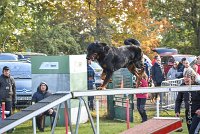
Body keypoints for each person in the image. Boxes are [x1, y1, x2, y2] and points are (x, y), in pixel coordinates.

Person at [175, 69, 200, 134]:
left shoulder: (198, 86)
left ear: (193, 78)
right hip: (188, 113)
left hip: (198, 113)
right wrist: (177, 111)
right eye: (184, 76)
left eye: (188, 77)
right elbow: (178, 100)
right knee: (191, 132)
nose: (185, 79)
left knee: (193, 132)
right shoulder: (182, 86)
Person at [0, 66, 16, 132]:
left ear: (9, 72)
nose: (6, 72)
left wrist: (14, 99)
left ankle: (10, 128)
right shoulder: (0, 78)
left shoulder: (12, 79)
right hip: (1, 100)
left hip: (9, 99)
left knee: (9, 114)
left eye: (7, 71)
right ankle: (2, 127)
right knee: (2, 114)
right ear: (3, 72)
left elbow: (14, 90)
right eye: (5, 71)